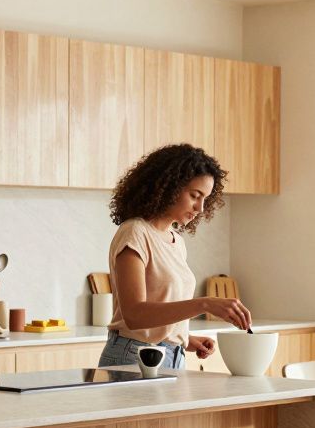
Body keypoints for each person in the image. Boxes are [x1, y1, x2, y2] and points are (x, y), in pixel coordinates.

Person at [97, 143, 252, 371]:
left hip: (171, 357)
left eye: (205, 199)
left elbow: (160, 309)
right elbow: (135, 315)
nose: (200, 208)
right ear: (168, 186)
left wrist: (184, 339)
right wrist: (205, 303)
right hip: (134, 357)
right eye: (194, 195)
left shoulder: (175, 241)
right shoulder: (134, 233)